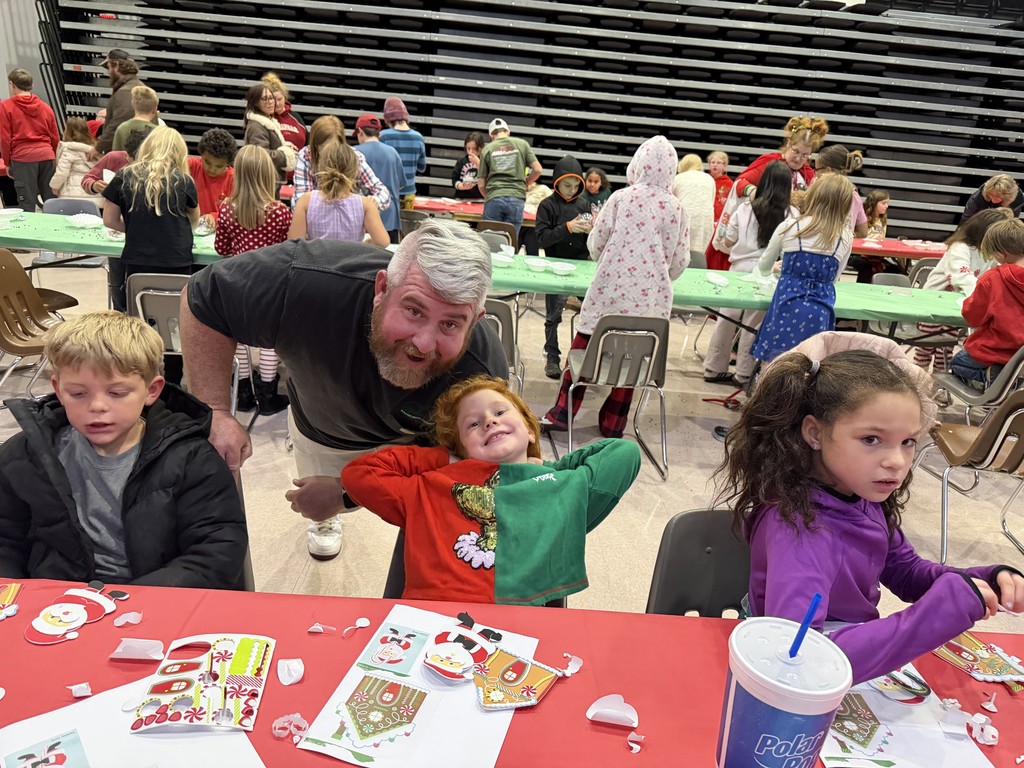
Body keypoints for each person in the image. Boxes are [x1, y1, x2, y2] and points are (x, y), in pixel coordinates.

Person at [180, 217, 508, 561]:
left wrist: (347, 494)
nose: (424, 344)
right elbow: (203, 298)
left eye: (451, 323)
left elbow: (461, 482)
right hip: (324, 424)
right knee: (316, 500)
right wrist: (214, 409)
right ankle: (326, 521)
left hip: (420, 442)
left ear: (476, 320)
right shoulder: (306, 282)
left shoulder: (481, 375)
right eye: (413, 310)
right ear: (381, 289)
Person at [715, 349, 1024, 685]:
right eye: (871, 439)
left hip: (845, 651)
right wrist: (936, 615)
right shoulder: (800, 530)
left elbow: (906, 572)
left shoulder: (859, 494)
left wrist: (982, 579)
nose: (896, 460)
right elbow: (796, 658)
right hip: (805, 674)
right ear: (815, 433)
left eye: (907, 442)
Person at [341, 375, 640, 605]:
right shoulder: (430, 488)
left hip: (518, 640)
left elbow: (623, 453)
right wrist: (443, 459)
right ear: (461, 449)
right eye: (472, 425)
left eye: (500, 411)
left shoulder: (556, 492)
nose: (489, 421)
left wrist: (548, 471)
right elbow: (359, 474)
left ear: (530, 429)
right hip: (433, 630)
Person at [0, 311, 247, 588]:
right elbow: (5, 540)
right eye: (78, 393)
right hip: (57, 605)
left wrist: (129, 599)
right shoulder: (24, 456)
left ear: (151, 391)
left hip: (157, 602)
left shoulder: (191, 459)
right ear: (58, 389)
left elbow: (215, 553)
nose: (97, 407)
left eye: (117, 393)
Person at [542, 136, 689, 437]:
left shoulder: (621, 198)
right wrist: (659, 275)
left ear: (637, 164)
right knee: (633, 357)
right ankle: (613, 422)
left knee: (584, 345)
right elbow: (679, 261)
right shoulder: (677, 208)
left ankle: (563, 412)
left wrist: (610, 259)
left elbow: (596, 244)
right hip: (651, 304)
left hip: (607, 292)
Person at [214, 144, 292, 416]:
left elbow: (221, 249)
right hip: (270, 284)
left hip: (237, 283)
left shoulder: (226, 209)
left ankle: (244, 391)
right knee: (269, 339)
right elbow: (286, 249)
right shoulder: (279, 211)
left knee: (241, 338)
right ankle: (267, 392)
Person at [703, 161, 797, 387]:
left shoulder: (745, 208)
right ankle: (744, 373)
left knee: (726, 320)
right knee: (754, 326)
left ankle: (714, 367)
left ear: (763, 181)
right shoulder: (793, 214)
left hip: (739, 271)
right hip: (768, 274)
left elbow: (727, 242)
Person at [751, 173, 855, 363]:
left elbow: (764, 267)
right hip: (820, 313)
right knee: (810, 369)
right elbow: (834, 279)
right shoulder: (845, 238)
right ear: (845, 204)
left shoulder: (789, 226)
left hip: (785, 308)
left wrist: (782, 269)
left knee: (773, 365)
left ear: (813, 195)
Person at [706, 116, 829, 270]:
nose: (798, 158)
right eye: (796, 151)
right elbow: (740, 184)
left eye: (805, 155)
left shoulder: (808, 174)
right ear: (789, 144)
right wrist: (758, 193)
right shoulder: (770, 163)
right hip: (755, 239)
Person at [102, 126, 199, 314]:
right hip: (176, 261)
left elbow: (109, 220)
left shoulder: (125, 176)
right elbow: (193, 220)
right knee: (174, 314)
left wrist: (136, 228)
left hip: (138, 259)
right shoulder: (184, 180)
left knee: (140, 312)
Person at [913, 207, 1013, 372]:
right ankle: (917, 377)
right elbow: (962, 277)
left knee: (946, 348)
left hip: (957, 305)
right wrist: (985, 294)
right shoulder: (960, 247)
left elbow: (998, 274)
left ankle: (939, 382)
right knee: (926, 347)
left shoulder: (988, 253)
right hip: (933, 302)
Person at [534, 155, 592, 379]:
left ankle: (586, 355)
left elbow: (588, 228)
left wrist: (590, 230)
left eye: (576, 185)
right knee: (553, 317)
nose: (572, 189)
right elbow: (541, 238)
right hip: (555, 265)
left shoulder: (584, 203)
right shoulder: (547, 206)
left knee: (591, 313)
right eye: (567, 185)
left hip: (580, 266)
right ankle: (552, 356)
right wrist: (567, 227)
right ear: (556, 182)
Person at [950, 218, 1024, 390]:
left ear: (1000, 253)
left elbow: (973, 317)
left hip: (992, 352)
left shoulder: (993, 278)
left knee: (957, 363)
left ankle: (992, 379)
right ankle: (1013, 382)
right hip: (1020, 357)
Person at [287, 141, 388, 246]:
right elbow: (383, 242)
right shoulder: (366, 205)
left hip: (316, 261)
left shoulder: (306, 200)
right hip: (352, 261)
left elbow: (294, 242)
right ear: (356, 172)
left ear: (321, 167)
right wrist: (365, 244)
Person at [292, 115, 390, 213]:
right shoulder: (305, 156)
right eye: (323, 148)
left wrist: (375, 201)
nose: (329, 154)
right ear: (315, 145)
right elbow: (300, 201)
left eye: (334, 148)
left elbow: (382, 191)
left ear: (341, 144)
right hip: (316, 220)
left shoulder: (354, 157)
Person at [0, 68, 59, 212]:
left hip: (23, 158)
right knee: (51, 200)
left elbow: (5, 138)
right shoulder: (46, 107)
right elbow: (55, 136)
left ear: (12, 84)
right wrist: (54, 156)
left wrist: (7, 162)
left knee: (27, 201)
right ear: (31, 86)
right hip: (47, 155)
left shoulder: (5, 106)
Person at [477, 118, 543, 230]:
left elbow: (481, 184)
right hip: (516, 198)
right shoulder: (522, 144)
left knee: (491, 240)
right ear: (508, 132)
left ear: (491, 136)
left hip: (495, 197)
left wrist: (490, 196)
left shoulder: (487, 149)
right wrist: (527, 182)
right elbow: (538, 169)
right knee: (510, 241)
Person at [352, 113, 404, 242]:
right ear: (378, 133)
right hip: (390, 220)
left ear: (360, 131)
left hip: (364, 221)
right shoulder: (393, 152)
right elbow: (401, 184)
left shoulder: (353, 153)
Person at [242, 82, 296, 186]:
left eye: (271, 98)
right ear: (255, 102)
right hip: (263, 182)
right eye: (264, 99)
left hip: (269, 180)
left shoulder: (266, 122)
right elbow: (261, 155)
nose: (270, 102)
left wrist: (286, 146)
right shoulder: (256, 126)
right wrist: (285, 155)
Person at [95, 49, 147, 156]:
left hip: (125, 153)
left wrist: (98, 148)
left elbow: (118, 123)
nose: (108, 72)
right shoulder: (136, 87)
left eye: (109, 67)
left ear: (117, 66)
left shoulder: (126, 91)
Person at [380, 97, 427, 210]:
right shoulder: (418, 138)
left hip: (388, 192)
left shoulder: (384, 136)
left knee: (388, 227)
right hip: (409, 194)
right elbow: (422, 168)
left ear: (387, 119)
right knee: (407, 226)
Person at [187, 127, 237, 231]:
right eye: (207, 162)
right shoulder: (191, 167)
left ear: (228, 164)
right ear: (201, 154)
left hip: (219, 233)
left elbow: (235, 212)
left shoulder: (233, 179)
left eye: (219, 166)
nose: (212, 169)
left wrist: (215, 217)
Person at [814, 144, 867, 238]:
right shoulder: (854, 195)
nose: (815, 173)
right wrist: (846, 236)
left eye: (817, 169)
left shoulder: (818, 192)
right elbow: (863, 232)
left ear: (827, 171)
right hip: (842, 251)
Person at [671, 153, 715, 257]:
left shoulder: (678, 178)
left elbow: (671, 203)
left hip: (686, 214)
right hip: (705, 217)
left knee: (682, 252)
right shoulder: (709, 178)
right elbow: (711, 201)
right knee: (700, 251)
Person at [49, 117, 101, 202]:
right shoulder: (95, 151)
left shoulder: (69, 149)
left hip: (72, 196)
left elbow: (62, 173)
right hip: (94, 194)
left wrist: (54, 186)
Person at [81, 128, 145, 197]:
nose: (131, 163)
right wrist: (94, 185)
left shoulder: (152, 164)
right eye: (128, 157)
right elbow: (87, 178)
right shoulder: (114, 157)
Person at [261, 72, 306, 162]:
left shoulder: (296, 117)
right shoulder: (263, 120)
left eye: (279, 99)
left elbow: (307, 144)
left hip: (297, 172)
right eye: (273, 99)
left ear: (285, 98)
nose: (277, 103)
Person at [111, 84, 159, 151]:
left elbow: (116, 157)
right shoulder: (159, 132)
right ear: (155, 109)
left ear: (132, 104)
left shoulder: (121, 129)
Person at [451, 130, 484, 199]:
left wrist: (478, 163)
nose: (470, 152)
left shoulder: (485, 162)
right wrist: (461, 186)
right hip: (462, 198)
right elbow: (454, 179)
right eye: (468, 149)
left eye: (474, 149)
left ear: (481, 148)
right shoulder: (461, 162)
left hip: (479, 199)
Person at [707, 150, 733, 225]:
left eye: (718, 163)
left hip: (719, 221)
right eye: (712, 162)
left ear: (724, 166)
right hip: (706, 217)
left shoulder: (729, 183)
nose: (715, 165)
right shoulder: (705, 179)